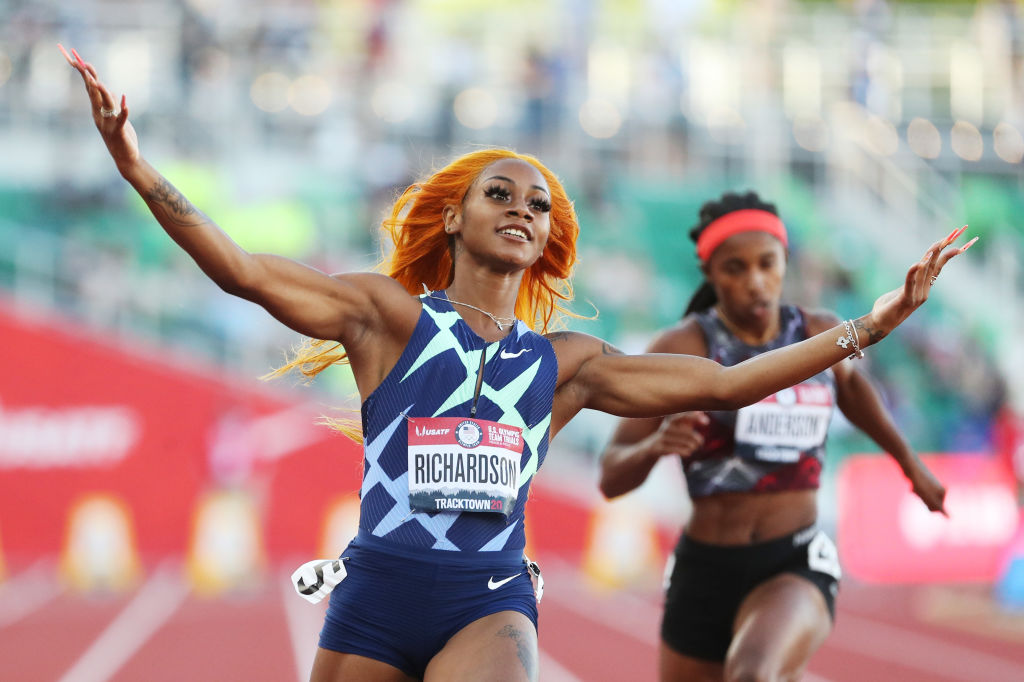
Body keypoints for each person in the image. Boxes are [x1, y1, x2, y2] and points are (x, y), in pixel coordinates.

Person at [61, 45, 974, 682]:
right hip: (374, 593)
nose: (522, 208)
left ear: (544, 241)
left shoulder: (565, 365)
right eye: (499, 193)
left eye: (537, 204)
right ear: (454, 219)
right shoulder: (385, 318)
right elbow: (243, 272)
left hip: (486, 597)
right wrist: (138, 168)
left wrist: (874, 323)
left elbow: (732, 382)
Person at [598, 191, 969, 682]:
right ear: (710, 273)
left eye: (766, 264)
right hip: (703, 568)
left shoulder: (817, 331)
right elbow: (610, 479)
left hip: (792, 559)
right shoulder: (683, 346)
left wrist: (911, 465)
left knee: (753, 673)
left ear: (784, 263)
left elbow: (856, 395)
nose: (755, 282)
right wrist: (653, 447)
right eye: (734, 268)